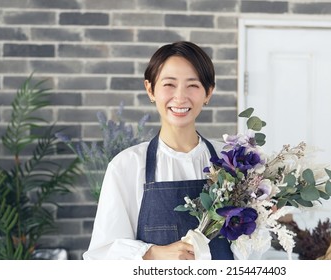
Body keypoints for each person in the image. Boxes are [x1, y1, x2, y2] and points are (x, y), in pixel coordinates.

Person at [83, 41, 235, 260]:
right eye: (169, 84)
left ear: (208, 92)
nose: (180, 97)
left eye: (192, 85)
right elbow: (101, 254)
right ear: (150, 89)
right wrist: (153, 254)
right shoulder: (127, 165)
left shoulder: (231, 160)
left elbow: (250, 249)